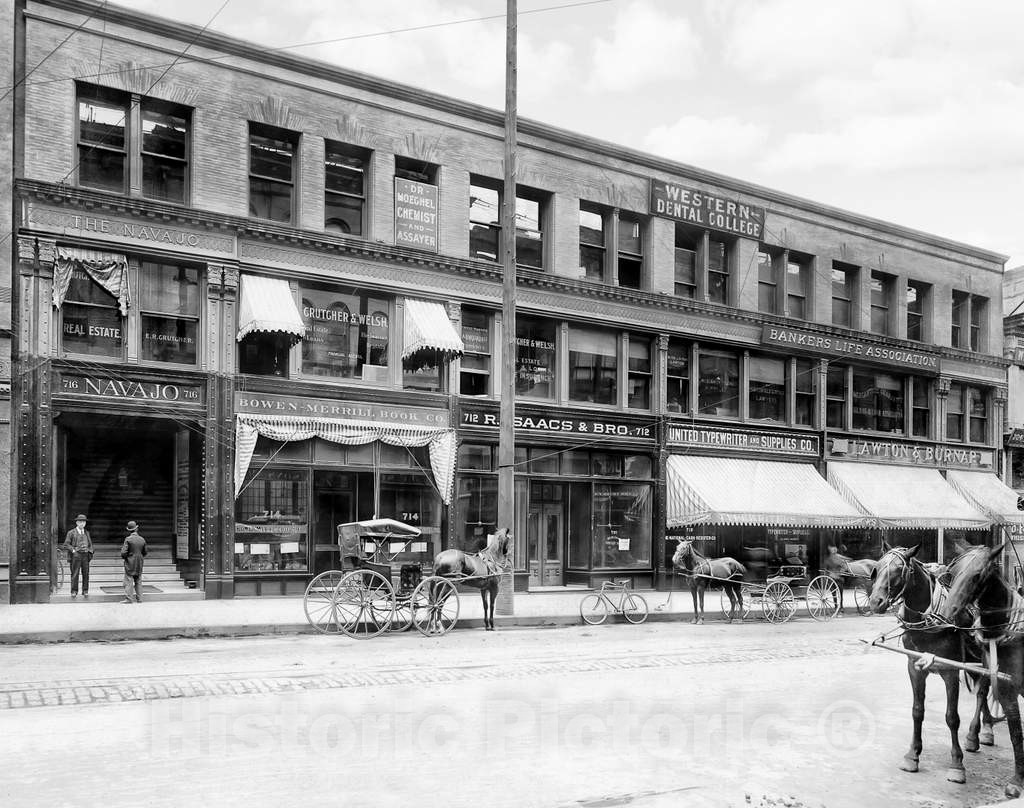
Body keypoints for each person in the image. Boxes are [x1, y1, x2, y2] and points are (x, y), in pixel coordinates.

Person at [62, 514, 94, 599]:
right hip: (76, 556)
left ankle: (85, 591)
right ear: (76, 522)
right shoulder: (71, 532)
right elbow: (66, 544)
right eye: (80, 522)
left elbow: (90, 544)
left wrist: (90, 552)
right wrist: (73, 550)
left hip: (85, 556)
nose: (82, 524)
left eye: (83, 522)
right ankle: (74, 591)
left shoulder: (87, 533)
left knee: (86, 574)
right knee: (75, 574)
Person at [120, 521, 147, 604]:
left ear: (129, 530)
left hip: (130, 562)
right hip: (139, 562)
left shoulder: (128, 539)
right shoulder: (142, 539)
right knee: (138, 580)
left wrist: (127, 558)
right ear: (136, 529)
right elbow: (145, 552)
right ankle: (140, 599)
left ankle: (129, 599)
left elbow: (123, 553)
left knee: (129, 580)